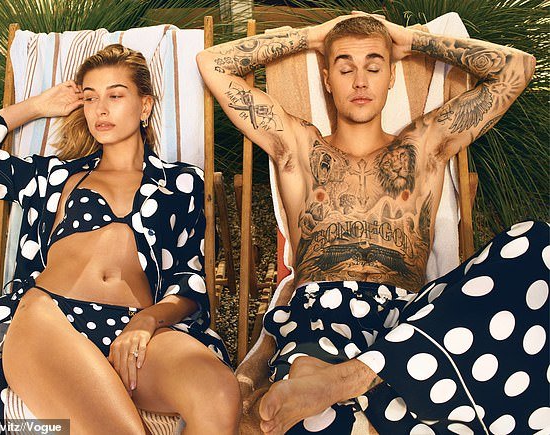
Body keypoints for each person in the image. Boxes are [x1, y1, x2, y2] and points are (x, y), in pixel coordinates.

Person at [197, 11, 547, 435]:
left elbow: (517, 68)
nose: (360, 81)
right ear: (327, 79)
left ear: (392, 76)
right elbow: (212, 63)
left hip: (411, 321)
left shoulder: (425, 146)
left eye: (374, 67)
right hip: (319, 315)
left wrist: (411, 41)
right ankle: (341, 388)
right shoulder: (300, 148)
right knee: (314, 414)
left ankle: (345, 384)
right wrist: (315, 37)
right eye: (345, 68)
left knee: (536, 243)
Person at [0, 44, 241, 434]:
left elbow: (188, 280)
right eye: (91, 98)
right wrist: (38, 106)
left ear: (145, 106)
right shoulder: (54, 177)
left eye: (115, 96)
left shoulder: (181, 183)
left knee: (218, 394)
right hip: (49, 319)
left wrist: (147, 320)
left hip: (136, 326)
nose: (100, 109)